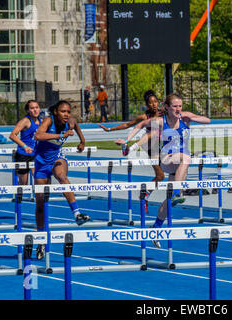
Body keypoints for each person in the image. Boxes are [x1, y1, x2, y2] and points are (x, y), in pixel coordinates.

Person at [123, 93, 211, 248]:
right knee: (186, 159)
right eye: (175, 106)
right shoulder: (160, 121)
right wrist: (127, 141)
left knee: (170, 200)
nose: (178, 109)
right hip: (167, 159)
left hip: (179, 166)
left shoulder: (184, 118)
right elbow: (141, 125)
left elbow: (207, 120)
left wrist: (191, 117)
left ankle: (155, 228)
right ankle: (177, 192)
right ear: (167, 108)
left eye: (180, 106)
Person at [34, 100, 90, 259]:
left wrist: (82, 142)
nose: (66, 115)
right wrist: (61, 135)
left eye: (68, 112)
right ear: (56, 112)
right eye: (63, 112)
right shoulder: (48, 120)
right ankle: (41, 241)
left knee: (61, 176)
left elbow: (76, 125)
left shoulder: (70, 122)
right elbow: (38, 135)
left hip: (57, 157)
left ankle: (77, 214)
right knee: (40, 204)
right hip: (41, 161)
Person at [103, 89, 165, 213]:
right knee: (152, 132)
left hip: (162, 146)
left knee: (160, 176)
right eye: (151, 103)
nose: (154, 104)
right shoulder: (144, 117)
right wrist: (109, 129)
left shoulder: (163, 113)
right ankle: (129, 148)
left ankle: (145, 193)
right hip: (150, 146)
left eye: (155, 102)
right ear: (147, 105)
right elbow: (127, 125)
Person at [9, 100, 41, 185]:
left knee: (39, 179)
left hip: (36, 155)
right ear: (28, 110)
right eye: (32, 108)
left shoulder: (42, 121)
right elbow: (12, 135)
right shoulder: (25, 121)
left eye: (37, 107)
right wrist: (25, 146)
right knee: (24, 183)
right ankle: (19, 197)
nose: (35, 110)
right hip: (23, 155)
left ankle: (42, 198)